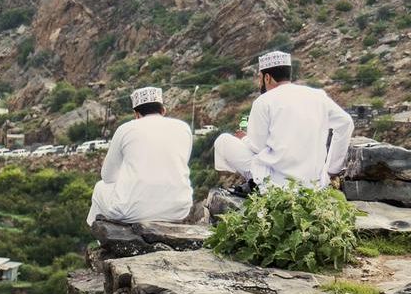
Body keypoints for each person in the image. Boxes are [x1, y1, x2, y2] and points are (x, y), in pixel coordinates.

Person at [212, 51, 353, 189]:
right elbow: (346, 123)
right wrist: (332, 169)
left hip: (276, 182)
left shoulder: (263, 101)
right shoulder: (318, 96)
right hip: (313, 183)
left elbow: (257, 147)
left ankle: (256, 183)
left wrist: (244, 139)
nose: (259, 82)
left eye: (260, 78)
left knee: (223, 141)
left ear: (267, 78)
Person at [87, 86, 195, 225]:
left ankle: (103, 241)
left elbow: (107, 176)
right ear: (163, 110)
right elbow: (181, 163)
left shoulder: (125, 129)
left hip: (132, 211)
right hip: (178, 209)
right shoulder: (183, 127)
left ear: (136, 114)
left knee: (100, 187)